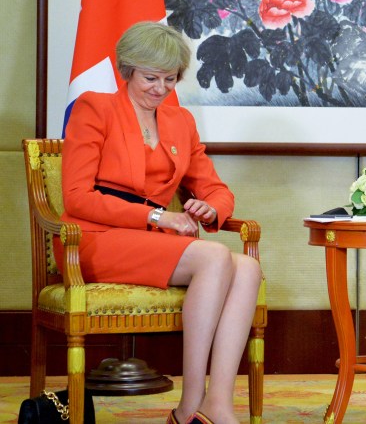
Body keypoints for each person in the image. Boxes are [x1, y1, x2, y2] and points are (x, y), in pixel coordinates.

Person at [56, 21, 262, 424]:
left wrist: (211, 209)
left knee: (248, 268)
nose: (160, 88)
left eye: (170, 79)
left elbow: (217, 190)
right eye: (150, 78)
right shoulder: (95, 108)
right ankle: (188, 408)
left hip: (153, 243)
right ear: (128, 70)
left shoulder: (180, 121)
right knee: (214, 257)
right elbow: (76, 197)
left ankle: (218, 406)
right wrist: (157, 215)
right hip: (95, 241)